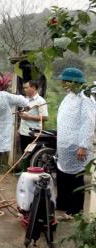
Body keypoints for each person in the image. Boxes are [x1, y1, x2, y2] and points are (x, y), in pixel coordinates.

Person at [56, 67, 96, 221]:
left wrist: (83, 146)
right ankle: (63, 205)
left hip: (76, 147)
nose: (62, 83)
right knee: (63, 176)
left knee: (76, 179)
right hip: (65, 146)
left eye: (64, 81)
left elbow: (88, 123)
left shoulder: (85, 99)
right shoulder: (70, 96)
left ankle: (74, 212)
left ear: (73, 82)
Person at [18, 80, 48, 171]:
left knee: (31, 154)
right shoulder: (26, 100)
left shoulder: (40, 101)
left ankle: (31, 172)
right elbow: (24, 115)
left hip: (33, 133)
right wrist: (19, 127)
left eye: (26, 87)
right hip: (23, 131)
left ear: (34, 88)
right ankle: (24, 171)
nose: (25, 90)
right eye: (24, 88)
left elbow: (45, 117)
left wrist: (29, 117)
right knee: (24, 153)